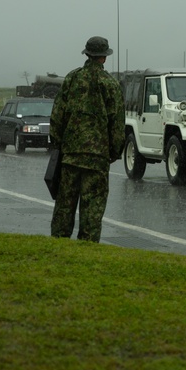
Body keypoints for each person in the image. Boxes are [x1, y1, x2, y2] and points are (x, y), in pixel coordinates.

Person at [49, 36, 125, 243]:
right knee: (92, 207)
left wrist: (57, 144)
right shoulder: (110, 84)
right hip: (98, 157)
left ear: (87, 54)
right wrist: (114, 151)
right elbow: (117, 123)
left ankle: (58, 243)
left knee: (65, 204)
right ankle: (88, 246)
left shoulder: (72, 79)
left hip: (70, 155)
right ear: (104, 57)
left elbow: (57, 115)